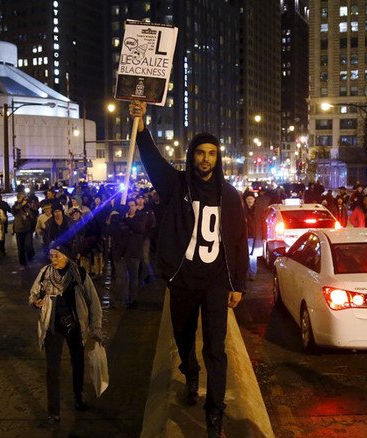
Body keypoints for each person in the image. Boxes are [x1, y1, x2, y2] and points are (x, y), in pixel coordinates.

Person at [131, 100, 248, 436]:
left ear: (218, 158)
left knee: (216, 347)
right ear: (192, 156)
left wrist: (237, 284)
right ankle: (190, 371)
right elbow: (153, 162)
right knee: (183, 337)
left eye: (211, 153)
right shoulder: (177, 186)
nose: (205, 159)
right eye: (200, 152)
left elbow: (239, 242)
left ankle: (214, 415)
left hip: (215, 283)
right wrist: (141, 126)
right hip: (183, 279)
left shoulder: (229, 195)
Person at [28, 243, 103, 425]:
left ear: (66, 256)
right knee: (52, 370)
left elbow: (93, 302)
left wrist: (96, 327)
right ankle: (53, 414)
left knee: (78, 363)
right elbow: (33, 294)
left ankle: (78, 397)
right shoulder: (45, 273)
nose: (53, 259)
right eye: (51, 255)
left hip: (76, 326)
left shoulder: (80, 274)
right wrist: (35, 302)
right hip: (53, 326)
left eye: (57, 256)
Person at [244, 193, 258, 280]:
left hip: (255, 236)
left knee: (253, 256)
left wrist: (264, 237)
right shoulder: (242, 209)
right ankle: (247, 272)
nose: (249, 200)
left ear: (254, 200)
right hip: (245, 235)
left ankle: (252, 273)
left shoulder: (258, 209)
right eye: (248, 199)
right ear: (245, 200)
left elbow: (263, 223)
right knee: (246, 255)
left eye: (251, 199)